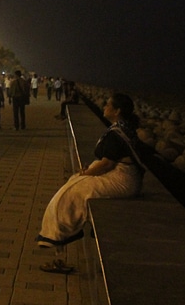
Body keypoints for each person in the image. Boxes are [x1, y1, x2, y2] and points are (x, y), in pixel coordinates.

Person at [37, 93, 145, 272]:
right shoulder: (123, 128)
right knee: (74, 183)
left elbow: (106, 164)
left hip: (123, 181)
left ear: (117, 111)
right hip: (125, 177)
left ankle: (58, 241)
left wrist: (87, 172)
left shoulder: (117, 132)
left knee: (71, 194)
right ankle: (59, 243)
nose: (104, 107)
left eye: (108, 105)